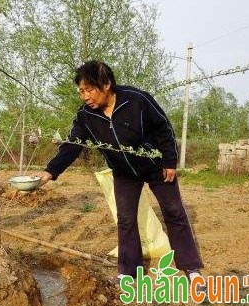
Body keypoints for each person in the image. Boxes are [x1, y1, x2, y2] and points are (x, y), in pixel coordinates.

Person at [38, 60, 204, 283]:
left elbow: (163, 127)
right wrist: (50, 172)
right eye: (81, 91)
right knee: (125, 220)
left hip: (156, 166)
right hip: (124, 172)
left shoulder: (136, 100)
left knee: (174, 212)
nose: (85, 96)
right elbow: (72, 144)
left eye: (89, 90)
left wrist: (170, 161)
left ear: (106, 84)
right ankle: (129, 272)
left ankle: (191, 266)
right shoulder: (86, 116)